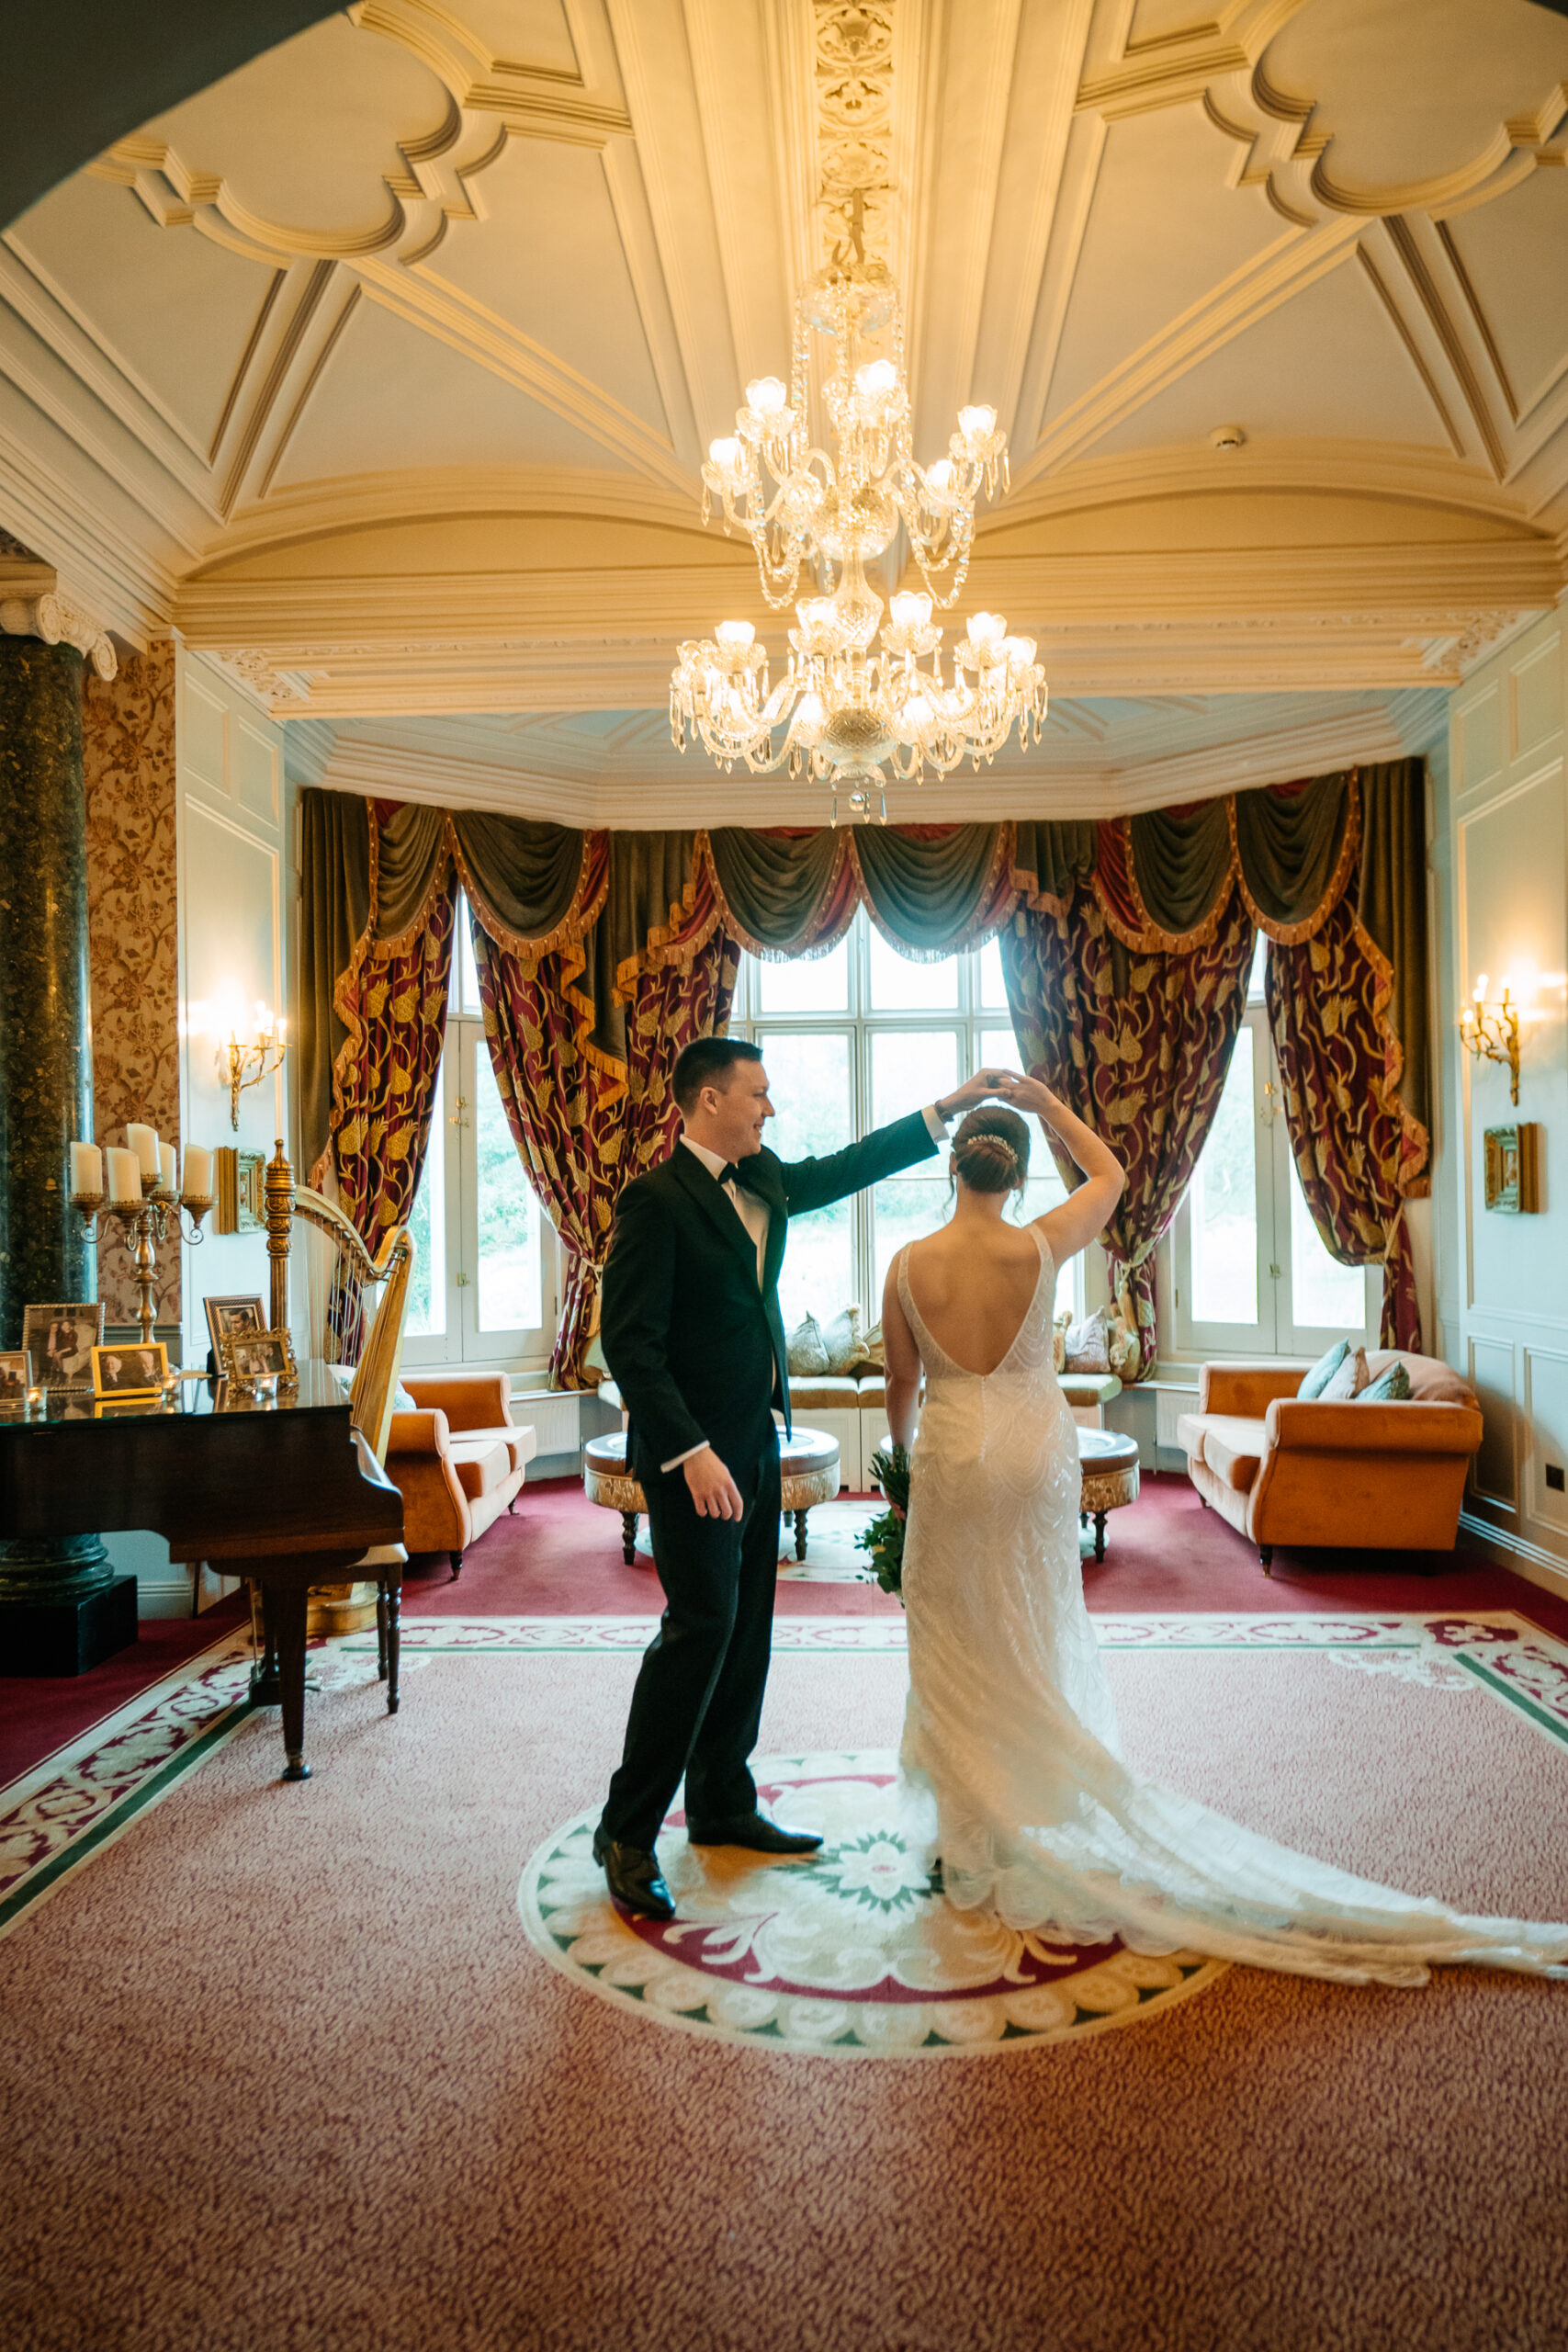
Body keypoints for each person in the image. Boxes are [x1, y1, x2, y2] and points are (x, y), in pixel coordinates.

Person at [879, 1081, 1568, 1984]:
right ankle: (1023, 1801)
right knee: (1030, 1619)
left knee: (953, 1627)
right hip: (1031, 1450)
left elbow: (901, 1390)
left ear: (953, 1162)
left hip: (956, 1448)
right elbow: (1115, 1174)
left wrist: (906, 1468)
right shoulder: (1043, 1242)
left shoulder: (905, 1263)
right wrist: (1047, 1098)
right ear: (1011, 1170)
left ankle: (964, 1831)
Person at [594, 1035, 1017, 1920]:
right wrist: (689, 1451)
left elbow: (849, 1166)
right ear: (709, 1102)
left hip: (753, 1440)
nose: (770, 1108)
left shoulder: (766, 1178)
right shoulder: (653, 1202)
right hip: (691, 1459)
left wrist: (944, 1108)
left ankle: (721, 1804)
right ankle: (626, 1833)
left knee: (746, 1627)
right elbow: (631, 1345)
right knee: (698, 1629)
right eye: (758, 1093)